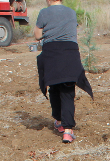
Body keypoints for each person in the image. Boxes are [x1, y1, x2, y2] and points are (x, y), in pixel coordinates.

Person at [35, 0, 93, 144]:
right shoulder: (71, 12)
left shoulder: (44, 12)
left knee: (54, 87)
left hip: (52, 54)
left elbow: (37, 35)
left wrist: (48, 34)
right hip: (70, 53)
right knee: (67, 91)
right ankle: (68, 131)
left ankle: (60, 122)